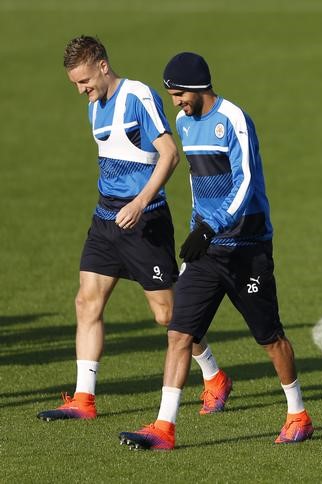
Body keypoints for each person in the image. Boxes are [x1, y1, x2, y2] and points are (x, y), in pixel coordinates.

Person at [119, 52, 313, 450]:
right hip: (207, 251)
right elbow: (196, 183)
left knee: (269, 337)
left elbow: (246, 183)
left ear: (196, 87)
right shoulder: (185, 124)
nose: (176, 102)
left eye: (178, 94)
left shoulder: (234, 120)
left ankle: (298, 413)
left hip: (247, 249)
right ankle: (164, 427)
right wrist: (198, 228)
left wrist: (210, 227)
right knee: (179, 332)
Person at [38, 36, 232, 422]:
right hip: (105, 220)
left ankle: (214, 376)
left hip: (145, 222)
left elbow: (169, 153)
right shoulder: (95, 106)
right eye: (75, 84)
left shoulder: (138, 96)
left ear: (102, 65)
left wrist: (140, 202)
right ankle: (84, 398)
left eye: (84, 81)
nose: (81, 91)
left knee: (167, 316)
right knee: (86, 301)